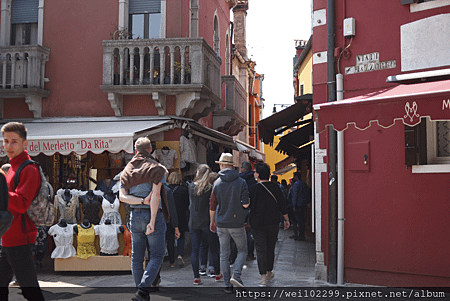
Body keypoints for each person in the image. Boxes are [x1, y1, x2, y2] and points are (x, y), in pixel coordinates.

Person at [119, 137, 169, 301]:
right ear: (150, 150)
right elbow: (155, 196)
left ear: (135, 151)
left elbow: (122, 196)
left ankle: (140, 292)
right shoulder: (156, 168)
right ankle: (142, 290)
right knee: (157, 255)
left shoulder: (127, 169)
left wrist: (139, 201)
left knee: (137, 257)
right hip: (151, 213)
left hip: (134, 214)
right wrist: (152, 221)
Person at [0, 122, 45, 300]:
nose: (9, 146)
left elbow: (21, 204)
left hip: (20, 237)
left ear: (25, 144)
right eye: (5, 141)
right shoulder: (10, 168)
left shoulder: (29, 168)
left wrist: (2, 192)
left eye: (14, 141)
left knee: (30, 289)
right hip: (8, 236)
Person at [210, 153, 249, 293]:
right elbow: (246, 204)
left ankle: (228, 284)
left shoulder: (217, 183)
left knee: (224, 254)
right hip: (237, 221)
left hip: (221, 222)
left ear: (221, 165)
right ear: (232, 166)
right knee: (243, 250)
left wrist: (212, 221)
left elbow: (212, 205)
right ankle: (236, 275)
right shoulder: (241, 182)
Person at [249, 163, 290, 287]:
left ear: (259, 174)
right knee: (270, 247)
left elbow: (249, 206)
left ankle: (263, 278)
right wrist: (286, 219)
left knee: (261, 249)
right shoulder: (276, 187)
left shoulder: (253, 189)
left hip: (257, 223)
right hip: (273, 222)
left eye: (255, 172)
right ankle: (269, 271)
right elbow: (282, 204)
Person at [188, 164, 222, 285]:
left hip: (193, 221)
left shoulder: (191, 187)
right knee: (213, 248)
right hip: (207, 221)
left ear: (198, 172)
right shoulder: (211, 188)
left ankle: (196, 277)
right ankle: (217, 273)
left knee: (195, 250)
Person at [166, 172, 189, 267]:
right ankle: (179, 254)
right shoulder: (183, 190)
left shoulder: (166, 190)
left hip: (169, 215)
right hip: (181, 215)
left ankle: (172, 261)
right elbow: (187, 204)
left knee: (170, 238)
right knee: (181, 236)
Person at [239, 161, 256, 261]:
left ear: (243, 169)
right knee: (250, 230)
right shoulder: (253, 179)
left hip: (240, 207)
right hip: (251, 207)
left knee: (239, 230)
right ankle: (250, 253)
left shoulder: (239, 178)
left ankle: (240, 252)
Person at [290, 171, 311, 241]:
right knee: (302, 220)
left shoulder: (296, 184)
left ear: (296, 177)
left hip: (298, 204)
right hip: (303, 204)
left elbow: (295, 195)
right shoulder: (304, 184)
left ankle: (300, 235)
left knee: (299, 220)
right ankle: (302, 234)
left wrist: (293, 205)